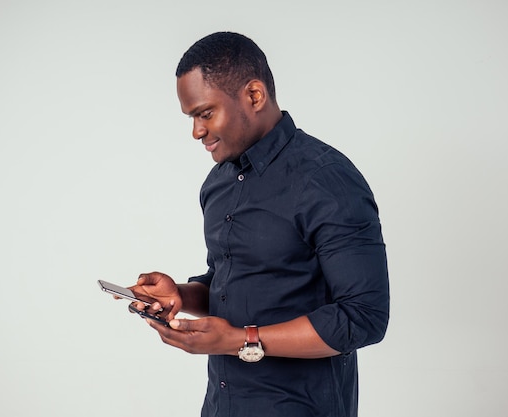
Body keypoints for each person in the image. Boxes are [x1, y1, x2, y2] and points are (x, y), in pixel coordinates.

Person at [129, 31, 390, 417]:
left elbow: (364, 317)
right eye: (191, 118)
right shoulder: (216, 184)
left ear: (254, 95)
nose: (196, 131)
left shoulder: (328, 180)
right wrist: (181, 295)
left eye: (205, 113)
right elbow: (231, 283)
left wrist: (239, 340)